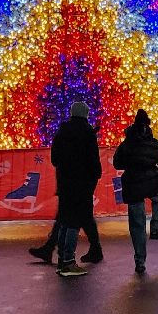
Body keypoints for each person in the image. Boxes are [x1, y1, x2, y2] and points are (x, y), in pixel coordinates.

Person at [113, 108, 158, 275]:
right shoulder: (154, 144)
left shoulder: (126, 145)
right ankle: (155, 227)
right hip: (152, 181)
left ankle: (140, 261)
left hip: (132, 184)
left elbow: (117, 163)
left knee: (137, 224)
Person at [47, 100, 101, 277]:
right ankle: (68, 262)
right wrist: (95, 175)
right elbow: (94, 160)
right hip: (82, 185)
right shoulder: (87, 133)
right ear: (85, 114)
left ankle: (62, 259)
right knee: (74, 223)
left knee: (64, 220)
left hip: (64, 184)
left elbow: (54, 159)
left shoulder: (62, 132)